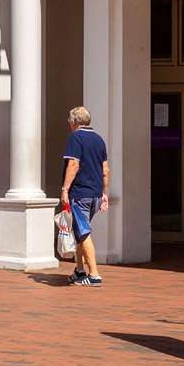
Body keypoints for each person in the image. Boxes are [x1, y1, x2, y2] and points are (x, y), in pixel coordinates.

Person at [59, 105, 110, 286]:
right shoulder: (99, 140)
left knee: (83, 232)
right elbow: (105, 170)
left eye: (69, 121)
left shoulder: (76, 138)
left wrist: (65, 189)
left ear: (74, 122)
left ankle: (94, 274)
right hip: (95, 194)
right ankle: (80, 270)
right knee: (80, 232)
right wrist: (104, 194)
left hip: (80, 193)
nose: (68, 124)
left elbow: (74, 165)